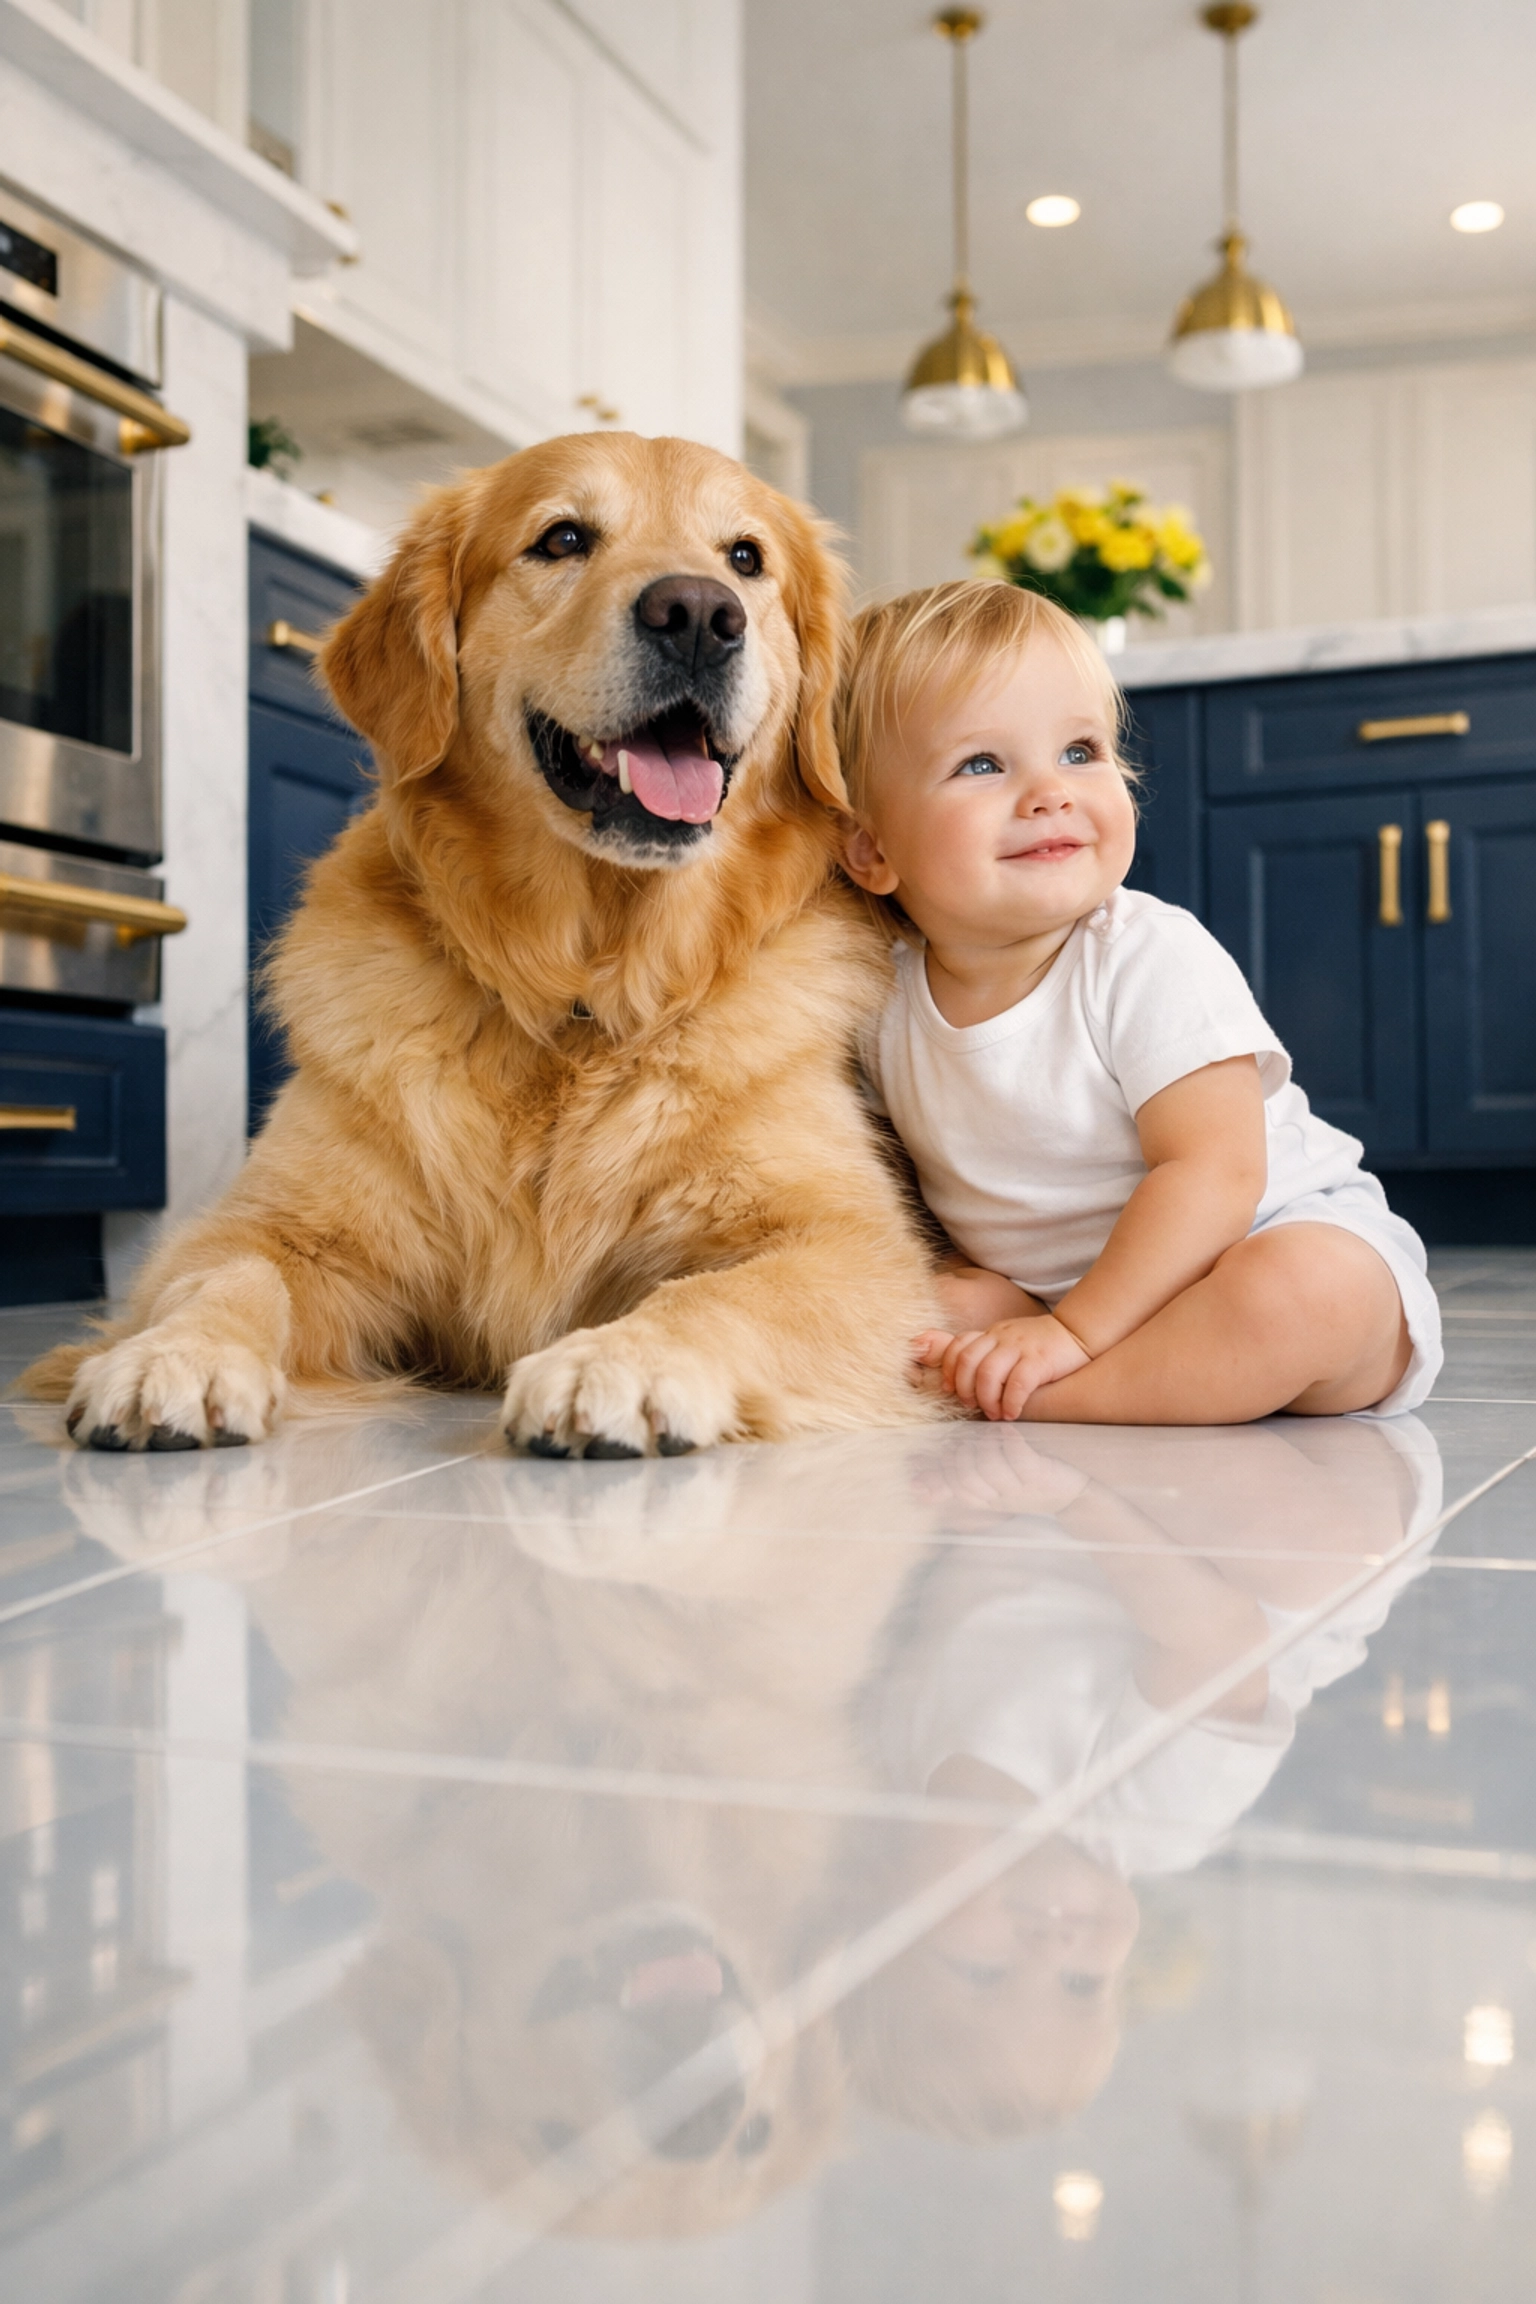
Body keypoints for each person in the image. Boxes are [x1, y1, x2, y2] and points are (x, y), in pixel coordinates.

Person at [836, 580, 1442, 1424]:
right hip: (1061, 1297)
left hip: (1261, 1244)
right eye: (982, 764)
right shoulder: (880, 994)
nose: (1051, 792)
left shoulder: (1145, 954)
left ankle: (1058, 1397)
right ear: (870, 850)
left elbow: (1218, 1172)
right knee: (923, 1306)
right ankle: (1080, 1365)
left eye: (1080, 751)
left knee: (1303, 1291)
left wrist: (1076, 1336)